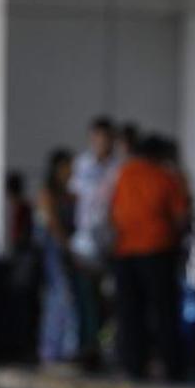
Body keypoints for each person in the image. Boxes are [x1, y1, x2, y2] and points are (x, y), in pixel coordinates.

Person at [109, 134, 190, 381]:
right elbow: (181, 216)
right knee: (164, 311)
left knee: (130, 312)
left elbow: (114, 212)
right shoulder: (167, 177)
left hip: (126, 251)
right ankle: (171, 365)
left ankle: (133, 365)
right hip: (158, 250)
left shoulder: (124, 175)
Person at [68, 116, 121, 367]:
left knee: (109, 300)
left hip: (112, 244)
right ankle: (87, 347)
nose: (101, 143)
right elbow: (74, 199)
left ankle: (107, 346)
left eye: (106, 138)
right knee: (85, 299)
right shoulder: (82, 165)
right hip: (84, 244)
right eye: (97, 138)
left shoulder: (119, 168)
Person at [37, 149, 79, 363]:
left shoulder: (68, 194)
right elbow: (52, 224)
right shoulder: (48, 195)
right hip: (53, 252)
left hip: (62, 250)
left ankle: (63, 348)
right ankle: (53, 350)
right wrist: (68, 246)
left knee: (63, 298)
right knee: (59, 297)